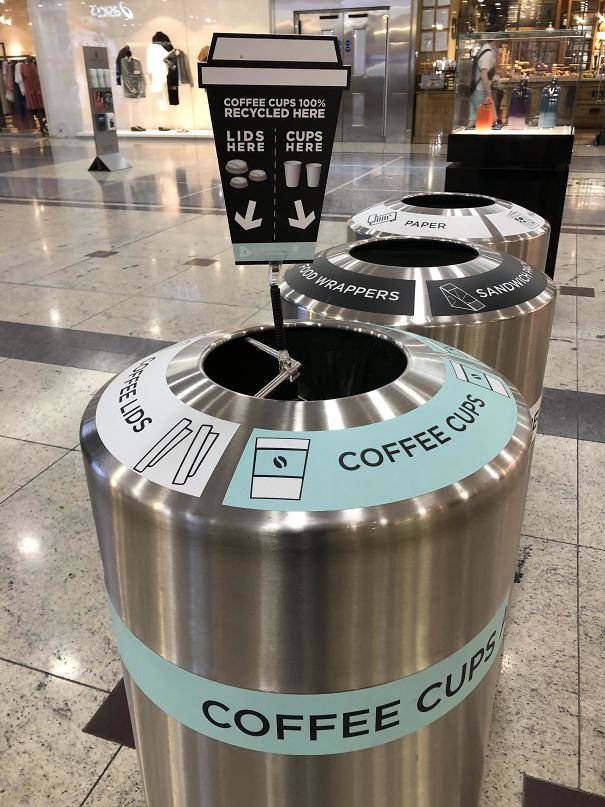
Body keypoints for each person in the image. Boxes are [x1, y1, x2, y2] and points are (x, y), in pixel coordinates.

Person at [469, 41, 497, 126]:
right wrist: (489, 94)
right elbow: (484, 73)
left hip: (475, 90)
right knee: (491, 119)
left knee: (474, 121)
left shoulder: (483, 49)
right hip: (480, 91)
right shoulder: (487, 52)